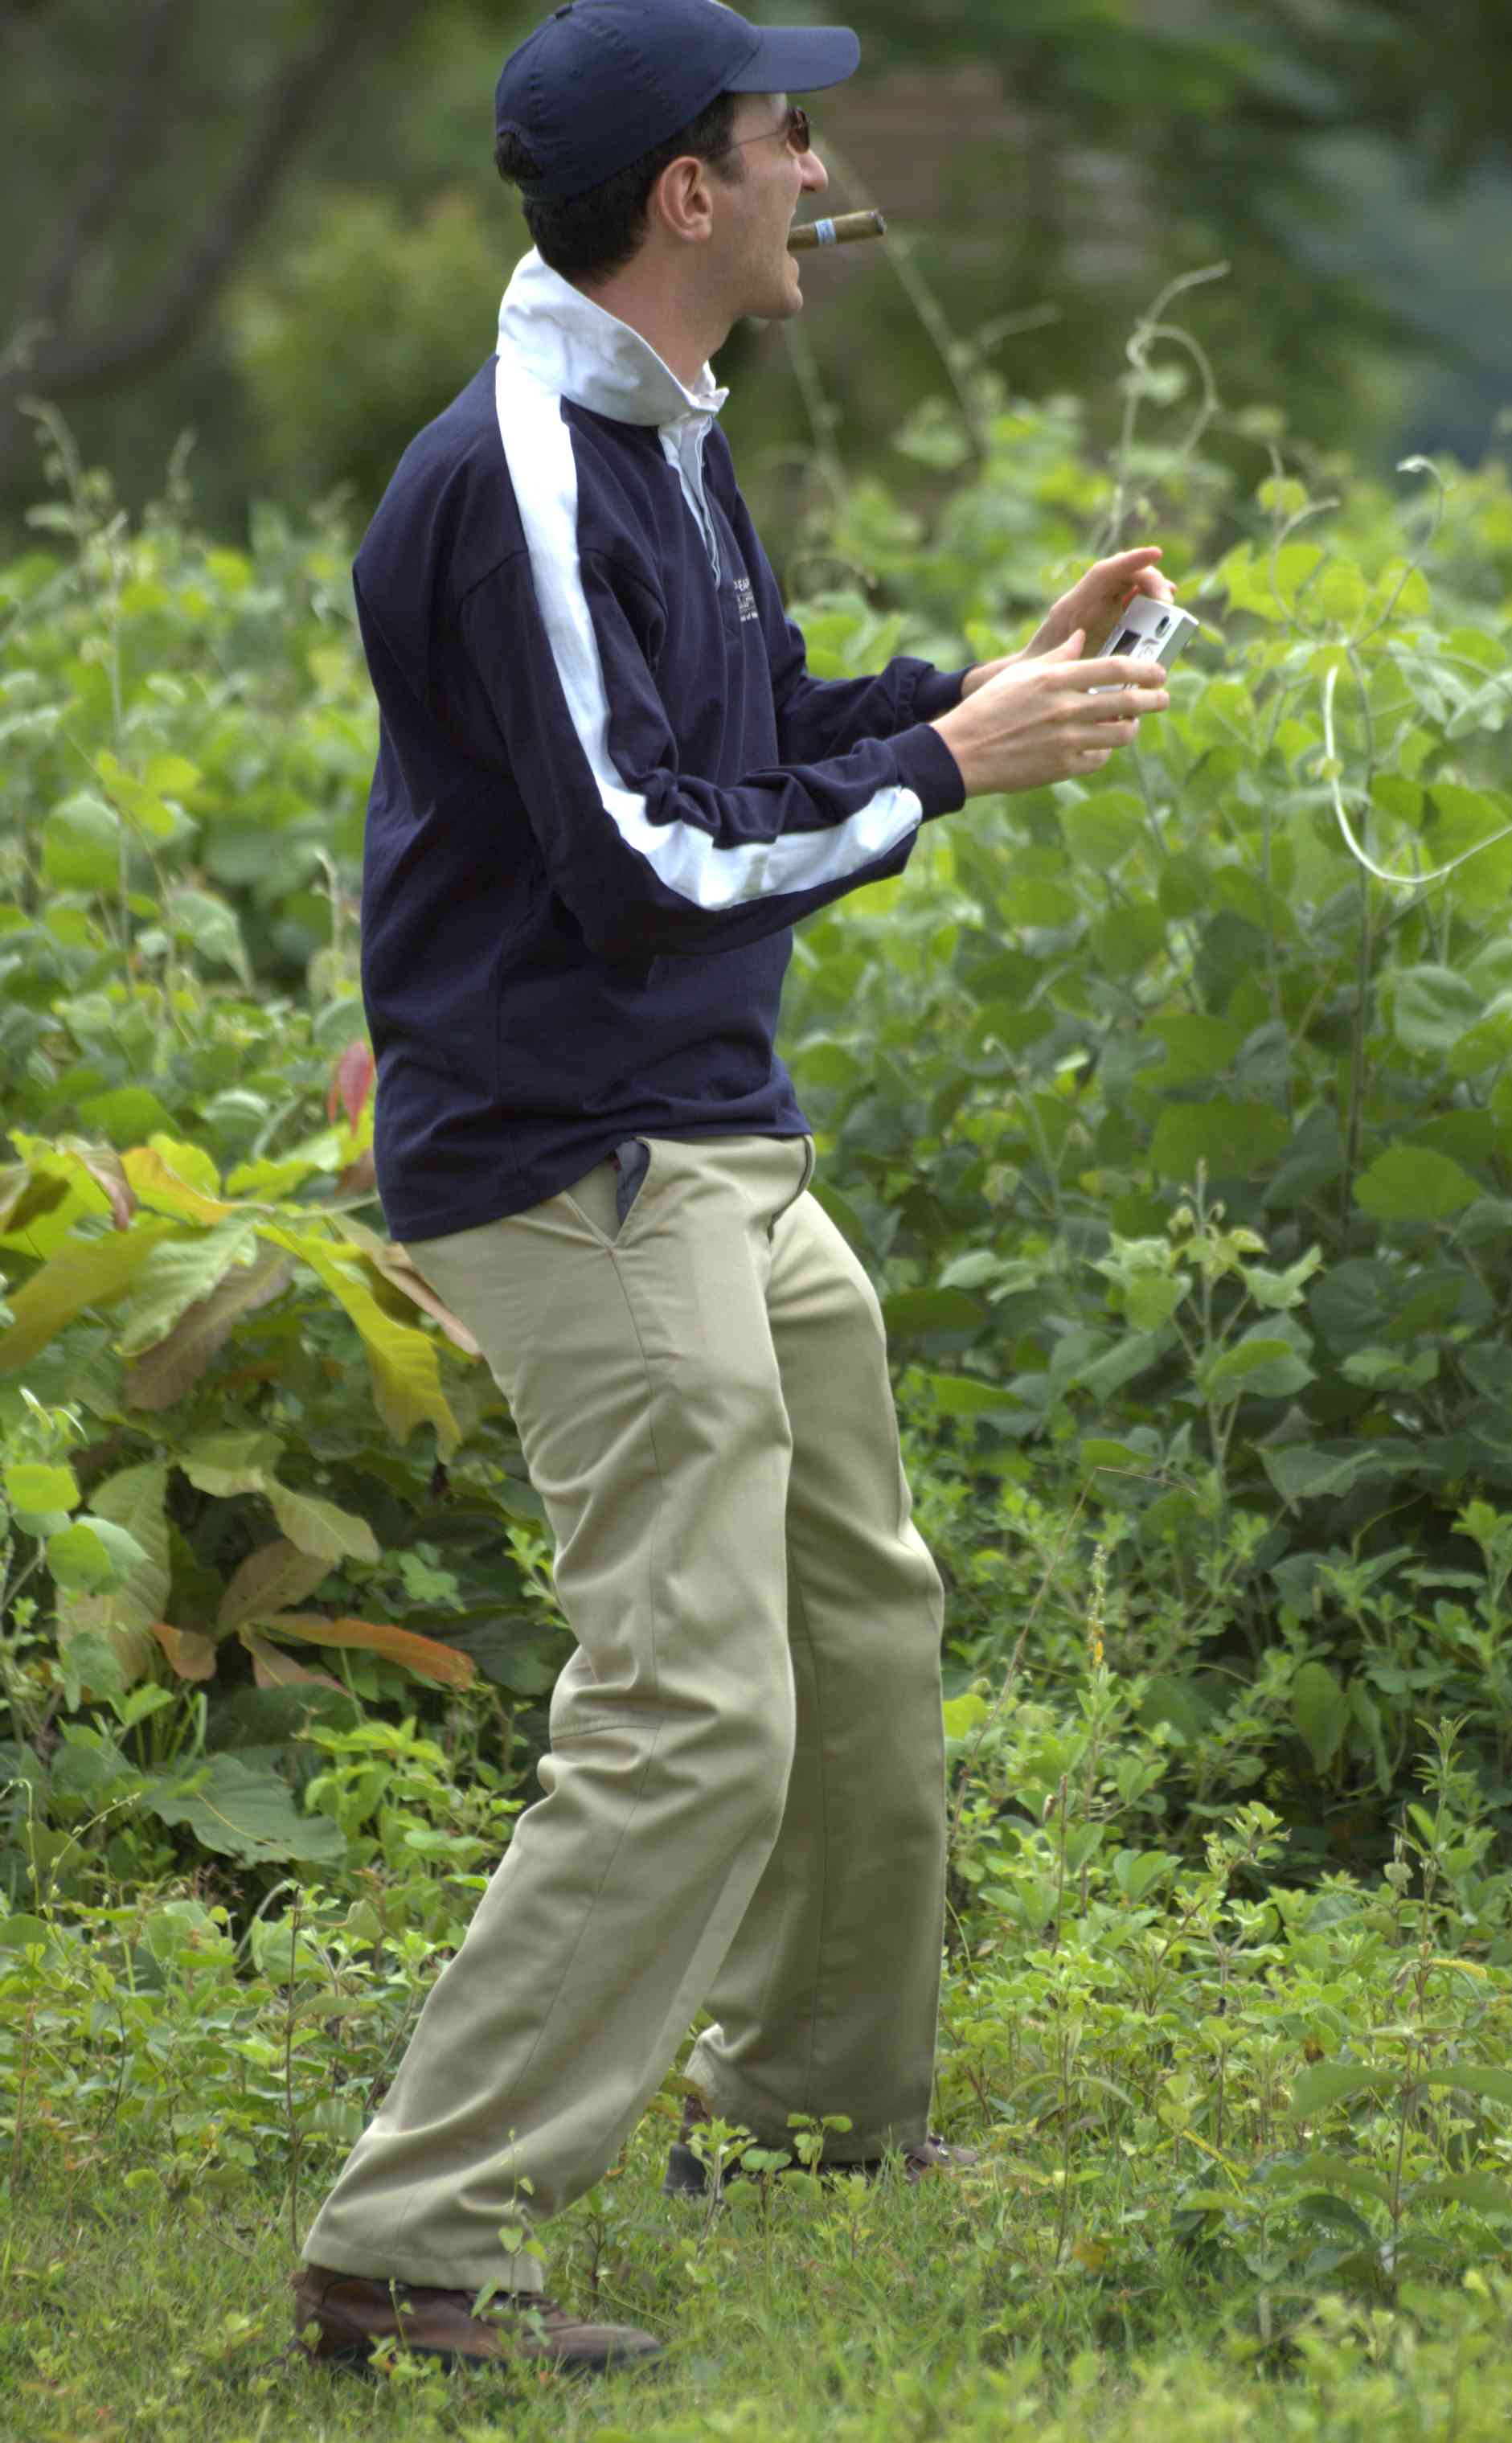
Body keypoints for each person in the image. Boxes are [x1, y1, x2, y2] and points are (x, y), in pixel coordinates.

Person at [290, 0, 1174, 2379]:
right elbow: (643, 867)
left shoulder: (662, 427)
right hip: (578, 1164)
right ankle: (414, 2246)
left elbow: (748, 736)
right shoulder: (525, 474)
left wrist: (968, 698)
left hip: (710, 1142)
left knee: (859, 1630)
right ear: (688, 192)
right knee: (694, 1709)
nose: (818, 178)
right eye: (789, 140)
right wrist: (955, 774)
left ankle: (810, 2123)